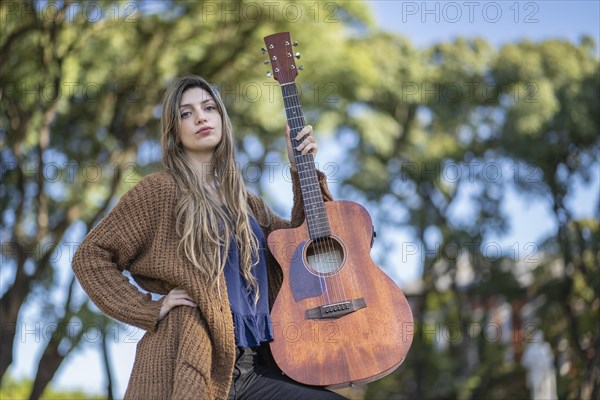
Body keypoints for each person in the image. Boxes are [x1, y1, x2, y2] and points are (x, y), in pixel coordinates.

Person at [72, 75, 347, 399]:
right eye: (186, 113)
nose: (200, 117)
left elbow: (304, 248)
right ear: (174, 131)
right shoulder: (159, 191)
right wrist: (149, 308)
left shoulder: (248, 203)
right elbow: (90, 256)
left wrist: (302, 168)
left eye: (208, 107)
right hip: (199, 358)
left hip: (263, 365)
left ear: (221, 119)